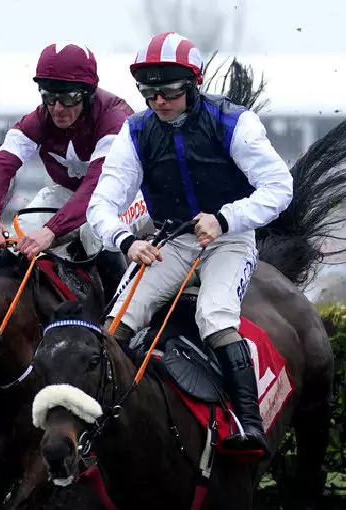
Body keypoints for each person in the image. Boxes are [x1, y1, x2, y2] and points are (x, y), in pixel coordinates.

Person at [87, 32, 294, 457]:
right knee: (116, 322)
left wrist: (224, 219)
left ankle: (248, 423)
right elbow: (102, 204)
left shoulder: (234, 122)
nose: (158, 102)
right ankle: (97, 419)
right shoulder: (136, 130)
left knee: (214, 317)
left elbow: (279, 187)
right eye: (149, 93)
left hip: (229, 240)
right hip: (171, 239)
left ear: (193, 85)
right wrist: (126, 241)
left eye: (168, 92)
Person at [0, 42, 134, 289]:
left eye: (68, 98)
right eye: (49, 96)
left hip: (126, 197)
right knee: (21, 233)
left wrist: (52, 230)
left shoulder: (114, 118)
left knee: (96, 231)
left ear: (87, 94)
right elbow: (0, 165)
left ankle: (117, 315)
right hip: (72, 195)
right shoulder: (38, 119)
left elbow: (97, 188)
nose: (57, 109)